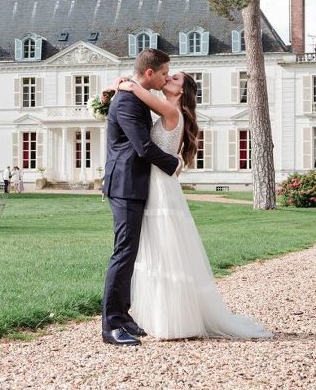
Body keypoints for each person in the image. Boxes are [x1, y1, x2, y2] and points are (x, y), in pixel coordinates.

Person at [115, 72, 272, 341]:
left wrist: (125, 84)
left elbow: (138, 91)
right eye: (168, 75)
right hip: (158, 181)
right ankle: (162, 317)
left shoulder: (170, 109)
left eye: (174, 79)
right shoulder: (171, 110)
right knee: (159, 248)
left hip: (160, 185)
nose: (168, 79)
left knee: (164, 248)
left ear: (181, 91)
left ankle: (172, 321)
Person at [100, 49, 182, 347]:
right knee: (123, 253)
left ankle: (123, 316)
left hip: (134, 184)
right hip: (124, 185)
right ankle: (111, 325)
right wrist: (174, 165)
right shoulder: (127, 101)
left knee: (130, 253)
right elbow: (143, 147)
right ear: (149, 73)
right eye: (163, 73)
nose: (165, 78)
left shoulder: (136, 97)